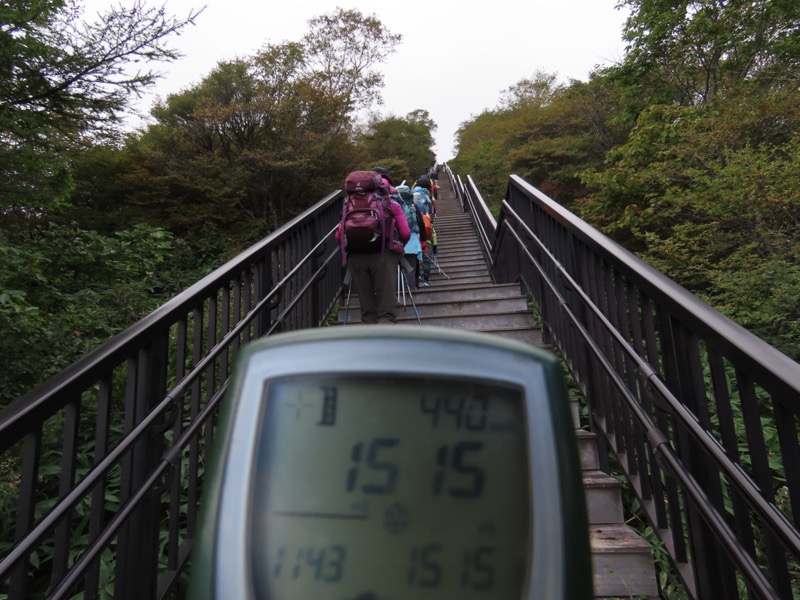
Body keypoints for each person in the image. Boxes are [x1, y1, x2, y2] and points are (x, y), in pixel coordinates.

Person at [336, 170, 411, 324]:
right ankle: (385, 339)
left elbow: (338, 236)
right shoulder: (390, 203)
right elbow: (405, 232)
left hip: (355, 257)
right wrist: (398, 246)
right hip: (383, 254)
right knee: (386, 307)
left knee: (367, 307)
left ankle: (369, 337)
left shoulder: (348, 205)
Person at [396, 184, 426, 289]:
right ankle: (412, 289)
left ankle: (399, 292)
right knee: (410, 268)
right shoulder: (413, 206)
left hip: (395, 242)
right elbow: (421, 223)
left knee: (396, 270)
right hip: (412, 242)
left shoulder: (390, 205)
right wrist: (423, 240)